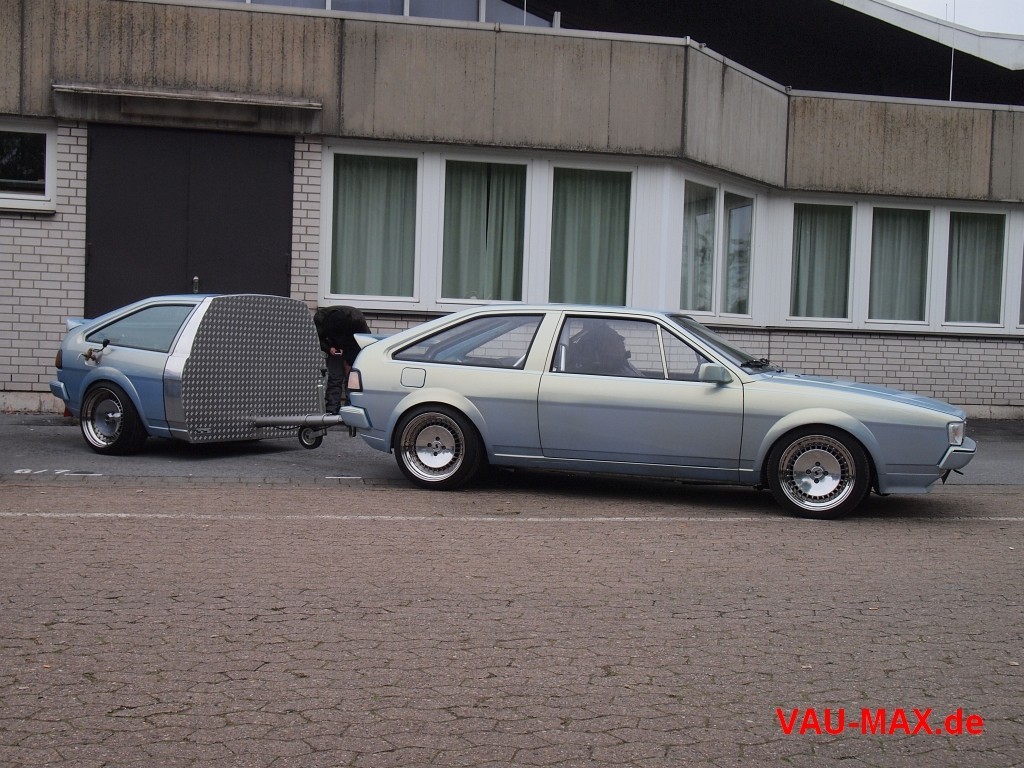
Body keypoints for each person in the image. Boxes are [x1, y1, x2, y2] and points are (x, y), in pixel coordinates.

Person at [313, 305, 370, 414]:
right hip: (334, 346)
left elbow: (363, 342)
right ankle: (332, 411)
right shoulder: (320, 319)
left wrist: (349, 362)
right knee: (335, 377)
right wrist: (329, 348)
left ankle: (350, 410)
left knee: (352, 378)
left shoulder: (357, 320)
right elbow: (317, 339)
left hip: (353, 345)